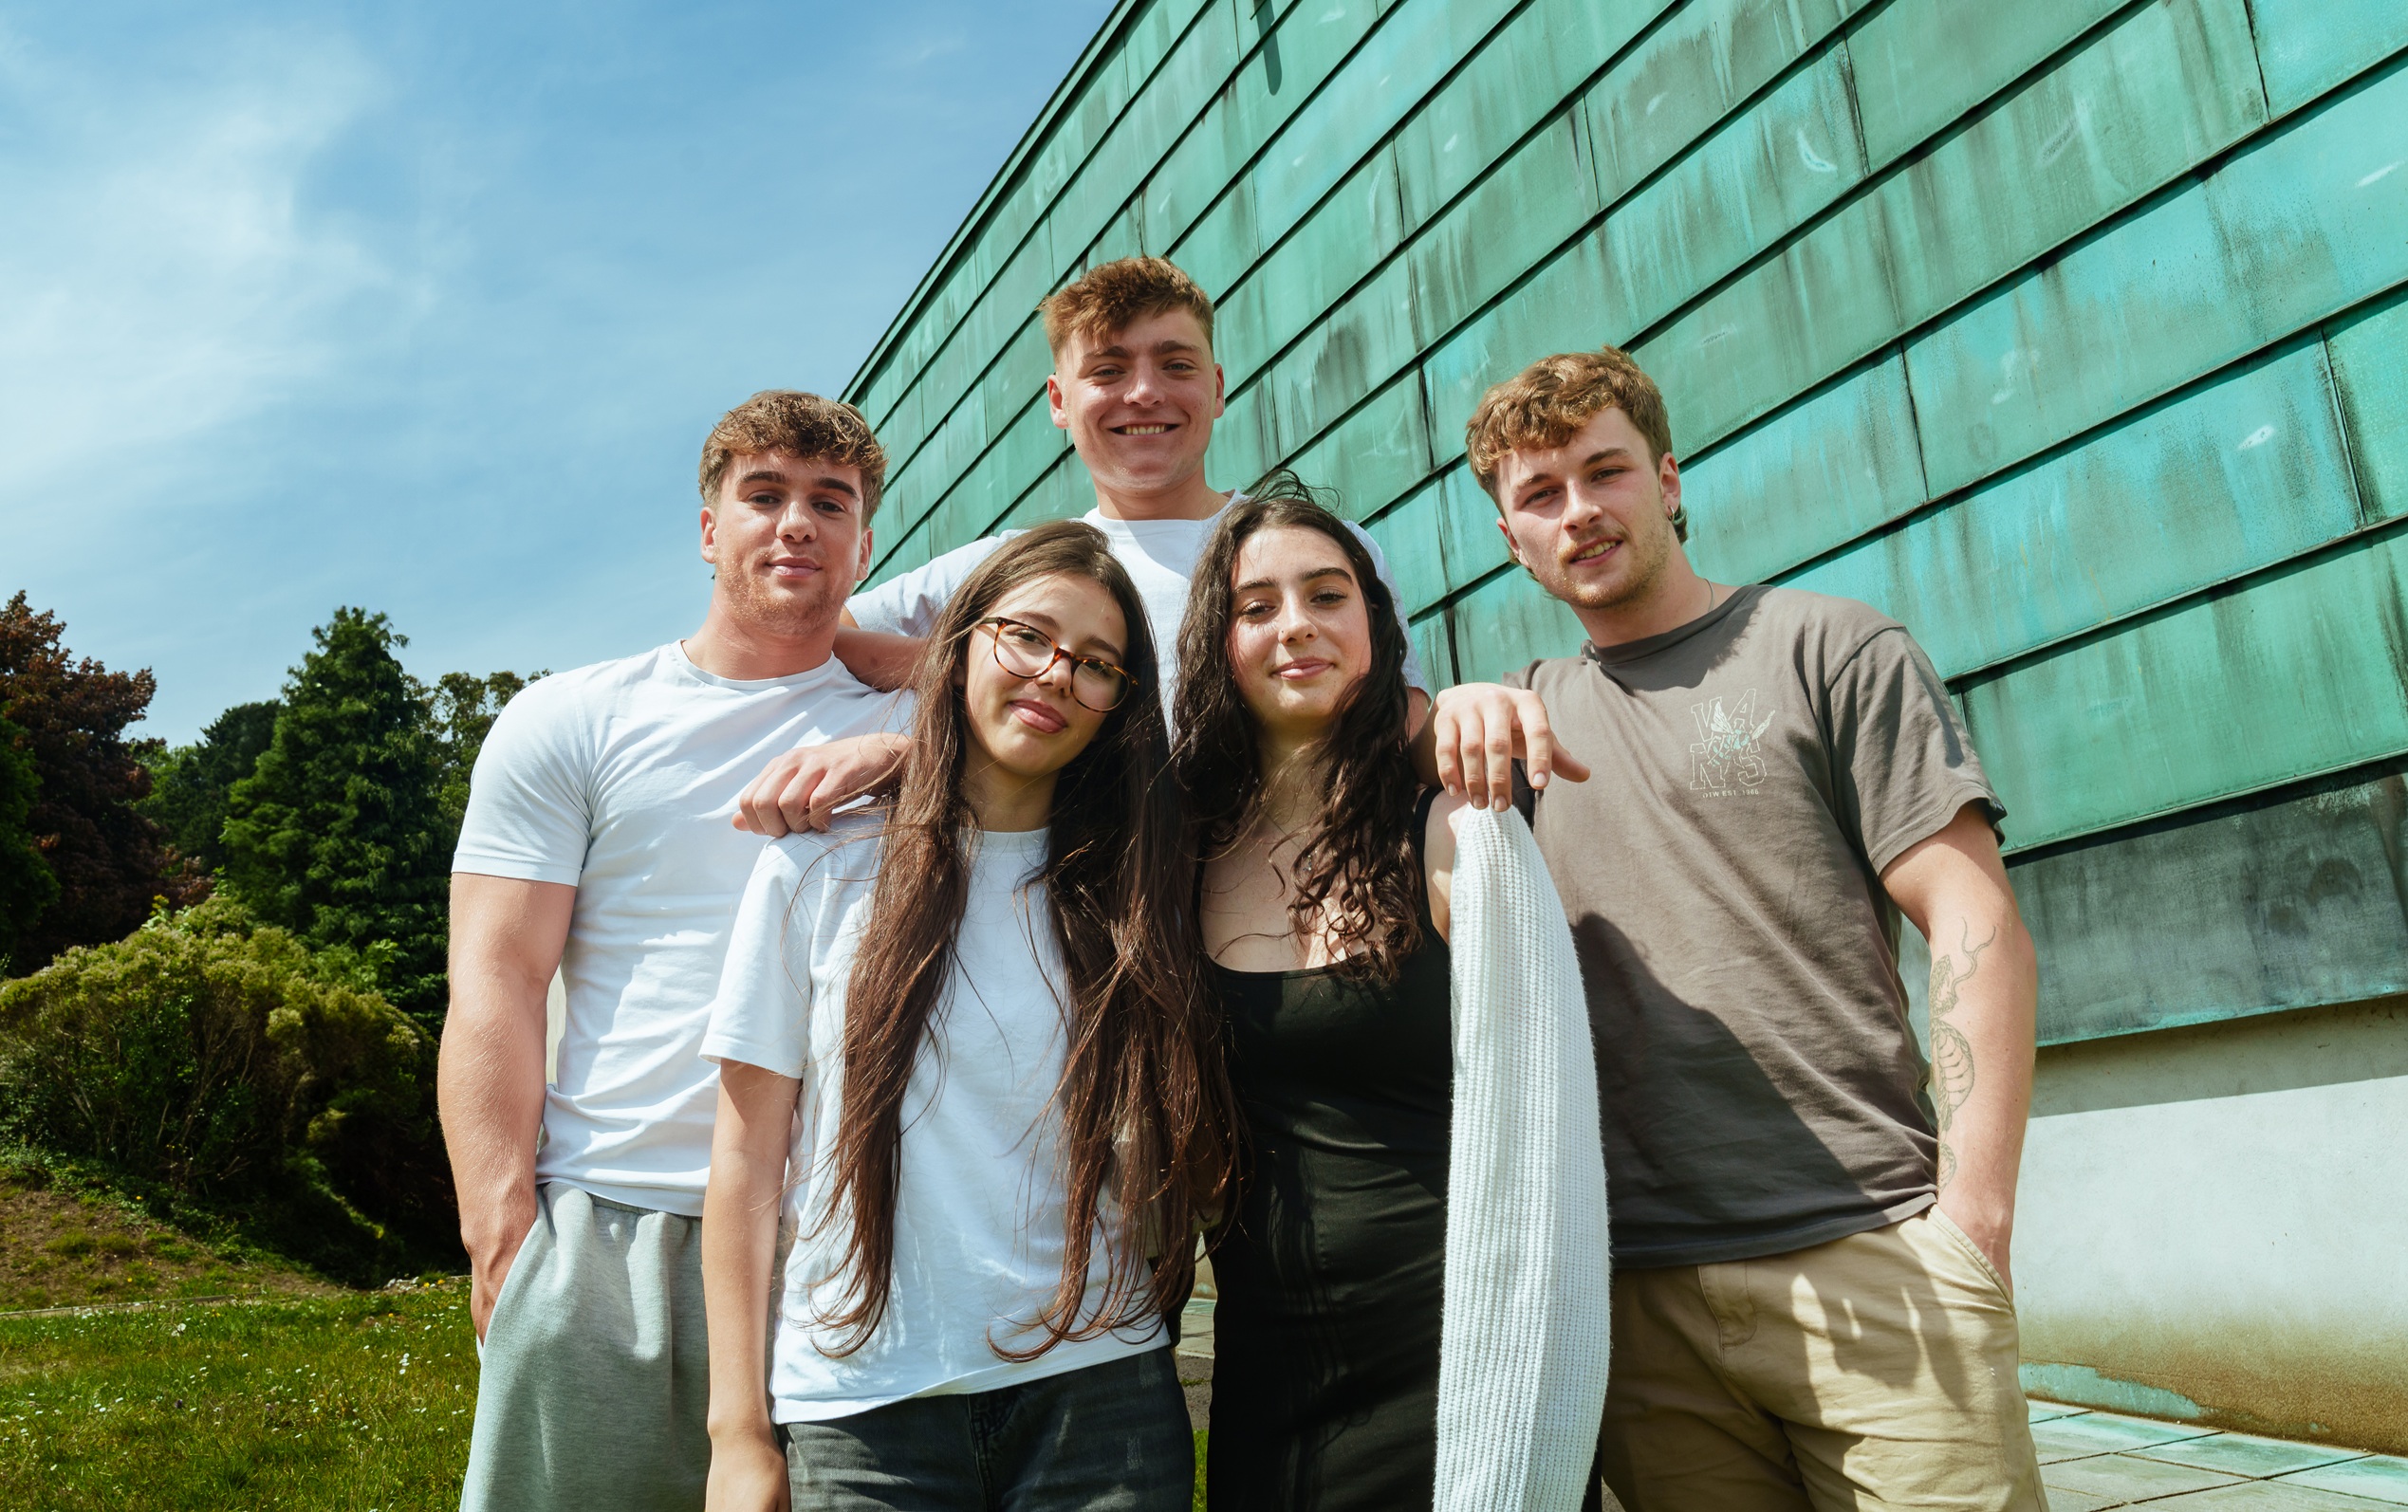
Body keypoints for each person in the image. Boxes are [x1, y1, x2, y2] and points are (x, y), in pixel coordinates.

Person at [1425, 347, 2046, 1509]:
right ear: (1512, 538)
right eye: (1540, 495)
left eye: (1604, 471)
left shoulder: (1828, 646)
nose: (1581, 512)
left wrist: (1974, 1221)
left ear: (1667, 478)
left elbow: (1972, 914)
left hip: (1872, 1250)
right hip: (1642, 1300)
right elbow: (1449, 926)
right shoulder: (1512, 732)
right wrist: (1442, 728)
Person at [697, 521, 1233, 1512]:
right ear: (961, 644)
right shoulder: (815, 865)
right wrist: (738, 1432)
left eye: (1098, 664)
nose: (1054, 675)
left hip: (1101, 1398)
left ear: (1119, 704)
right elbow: (743, 1164)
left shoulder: (1139, 889)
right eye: (1026, 636)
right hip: (864, 1409)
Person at [440, 392, 911, 1512]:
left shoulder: (926, 721)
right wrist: (503, 1231)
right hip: (613, 1230)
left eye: (828, 503)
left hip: (847, 1239)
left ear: (864, 541)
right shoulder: (572, 718)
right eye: (764, 496)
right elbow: (497, 978)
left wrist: (901, 728)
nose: (795, 523)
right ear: (709, 527)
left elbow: (1102, 702)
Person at [731, 255, 1429, 838]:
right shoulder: (1021, 567)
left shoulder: (1314, 553)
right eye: (1108, 371)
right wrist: (958, 677)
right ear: (1059, 402)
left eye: (1176, 365)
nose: (1145, 392)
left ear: (1216, 389)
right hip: (1109, 924)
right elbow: (836, 630)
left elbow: (1407, 717)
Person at [1170, 485, 1474, 1510]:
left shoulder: (1451, 834)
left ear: (1375, 628)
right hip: (1266, 1355)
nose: (1295, 623)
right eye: (1257, 606)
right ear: (1220, 645)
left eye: (1326, 594)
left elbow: (1554, 1097)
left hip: (1459, 1347)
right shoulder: (1179, 855)